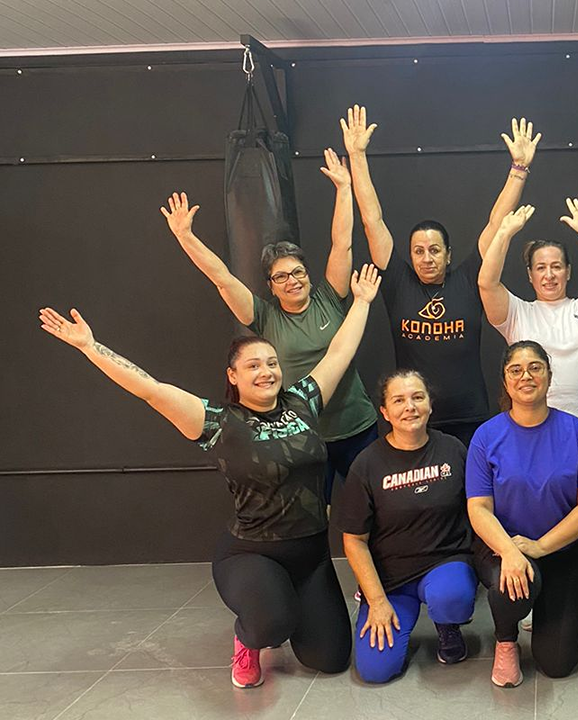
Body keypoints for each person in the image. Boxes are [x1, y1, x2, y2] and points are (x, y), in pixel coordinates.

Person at [38, 265, 384, 689]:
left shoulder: (304, 401)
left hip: (311, 555)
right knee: (271, 624)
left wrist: (361, 302)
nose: (266, 372)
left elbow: (339, 353)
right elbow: (150, 388)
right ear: (233, 376)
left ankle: (286, 602)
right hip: (252, 554)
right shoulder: (218, 422)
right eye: (253, 365)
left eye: (272, 363)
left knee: (329, 659)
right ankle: (250, 635)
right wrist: (91, 347)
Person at [160, 150, 380, 502]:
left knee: (373, 506)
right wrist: (186, 237)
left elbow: (343, 243)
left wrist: (343, 188)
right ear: (271, 286)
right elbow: (221, 278)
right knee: (313, 512)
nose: (292, 280)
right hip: (303, 435)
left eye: (297, 272)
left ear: (308, 275)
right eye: (281, 277)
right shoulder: (264, 316)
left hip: (357, 427)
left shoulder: (329, 297)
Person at [342, 106, 541, 446]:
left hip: (470, 418)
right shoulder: (398, 284)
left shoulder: (467, 280)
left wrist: (519, 169)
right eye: (418, 251)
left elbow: (496, 223)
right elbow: (371, 221)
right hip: (417, 420)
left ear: (448, 254)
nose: (426, 258)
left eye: (434, 250)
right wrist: (357, 156)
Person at [466, 341, 578, 687]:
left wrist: (540, 547)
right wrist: (511, 552)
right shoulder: (486, 436)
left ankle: (546, 610)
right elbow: (478, 508)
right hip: (504, 548)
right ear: (505, 381)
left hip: (563, 551)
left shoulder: (575, 431)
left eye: (535, 368)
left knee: (556, 664)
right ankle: (506, 639)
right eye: (516, 370)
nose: (525, 376)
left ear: (549, 375)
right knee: (510, 586)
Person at [332, 370, 476, 683]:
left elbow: (478, 510)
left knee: (452, 598)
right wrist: (377, 601)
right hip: (391, 579)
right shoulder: (367, 464)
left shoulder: (453, 450)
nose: (409, 407)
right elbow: (354, 540)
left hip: (444, 562)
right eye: (398, 400)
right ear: (385, 412)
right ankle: (389, 611)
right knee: (375, 671)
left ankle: (447, 625)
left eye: (417, 397)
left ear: (430, 405)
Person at [478, 199, 578, 435]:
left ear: (568, 271)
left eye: (556, 266)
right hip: (532, 431)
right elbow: (487, 284)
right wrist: (503, 233)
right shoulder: (517, 313)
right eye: (540, 268)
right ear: (530, 275)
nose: (549, 275)